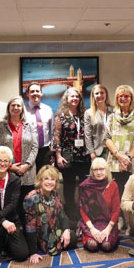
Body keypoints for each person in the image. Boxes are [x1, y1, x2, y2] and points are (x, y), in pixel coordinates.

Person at [105, 85, 134, 233]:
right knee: (117, 193)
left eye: (126, 96)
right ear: (117, 98)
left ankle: (131, 223)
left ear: (131, 98)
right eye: (120, 96)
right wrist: (119, 156)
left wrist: (127, 158)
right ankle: (119, 219)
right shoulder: (111, 118)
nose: (123, 98)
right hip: (115, 162)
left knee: (132, 193)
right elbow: (107, 138)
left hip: (132, 162)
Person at [0, 96, 38, 224]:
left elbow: (35, 147)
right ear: (9, 108)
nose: (16, 108)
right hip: (8, 171)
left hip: (28, 172)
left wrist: (27, 165)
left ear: (22, 109)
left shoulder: (29, 125)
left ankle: (27, 231)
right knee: (10, 204)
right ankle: (12, 232)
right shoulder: (1, 126)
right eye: (13, 105)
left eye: (18, 105)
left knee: (27, 205)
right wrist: (10, 166)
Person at [24, 165, 77, 263]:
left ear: (56, 182)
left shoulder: (55, 194)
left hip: (54, 231)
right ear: (40, 180)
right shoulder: (31, 198)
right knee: (24, 252)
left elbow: (63, 215)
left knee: (72, 237)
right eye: (46, 179)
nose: (49, 182)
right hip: (39, 235)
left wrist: (66, 230)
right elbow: (30, 226)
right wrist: (33, 252)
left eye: (53, 179)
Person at [53, 87, 90, 223]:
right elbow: (56, 136)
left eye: (77, 96)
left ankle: (83, 212)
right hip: (67, 156)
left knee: (84, 186)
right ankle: (70, 213)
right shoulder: (60, 116)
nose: (74, 99)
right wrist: (58, 156)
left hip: (83, 156)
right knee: (68, 186)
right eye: (71, 96)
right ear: (66, 99)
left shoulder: (84, 114)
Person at [78, 158, 120, 252]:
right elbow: (82, 210)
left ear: (106, 170)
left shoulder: (113, 185)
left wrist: (108, 229)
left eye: (101, 169)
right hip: (91, 223)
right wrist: (92, 229)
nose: (98, 172)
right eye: (95, 170)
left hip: (108, 223)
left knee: (106, 246)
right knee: (92, 245)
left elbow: (116, 210)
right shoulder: (84, 186)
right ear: (92, 171)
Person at [24, 83, 54, 171]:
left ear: (41, 93)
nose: (35, 93)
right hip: (28, 150)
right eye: (32, 91)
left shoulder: (48, 109)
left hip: (45, 151)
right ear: (27, 94)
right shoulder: (23, 110)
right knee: (30, 179)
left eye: (37, 91)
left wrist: (52, 148)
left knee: (44, 177)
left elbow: (52, 130)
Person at [84, 84, 114, 161]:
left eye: (102, 92)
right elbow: (88, 135)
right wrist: (92, 153)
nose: (99, 95)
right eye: (97, 93)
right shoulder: (88, 113)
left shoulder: (114, 111)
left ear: (106, 94)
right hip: (97, 151)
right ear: (93, 96)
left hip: (113, 149)